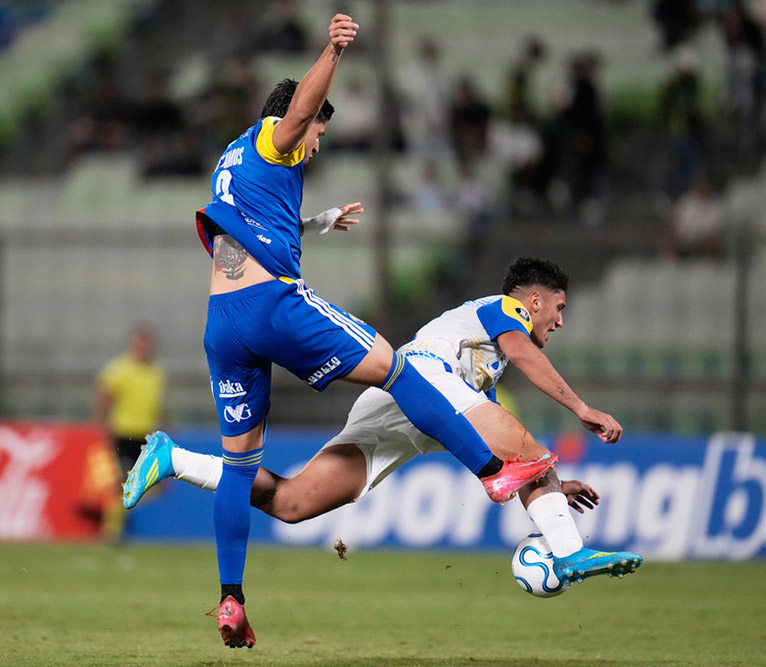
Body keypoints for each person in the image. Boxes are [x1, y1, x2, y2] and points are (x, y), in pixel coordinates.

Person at [160, 16, 580, 649]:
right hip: (273, 305)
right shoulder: (278, 134)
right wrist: (332, 52)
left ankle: (231, 597)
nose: (316, 146)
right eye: (319, 135)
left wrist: (318, 221)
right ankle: (493, 471)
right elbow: (299, 113)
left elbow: (249, 228)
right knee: (399, 369)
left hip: (223, 323)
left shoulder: (233, 159)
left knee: (241, 468)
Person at [125, 256, 639, 645]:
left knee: (292, 503)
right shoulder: (505, 311)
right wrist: (580, 408)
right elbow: (521, 355)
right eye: (559, 308)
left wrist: (550, 487)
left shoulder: (482, 363)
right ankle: (568, 551)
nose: (560, 321)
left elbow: (494, 446)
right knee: (531, 453)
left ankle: (174, 459)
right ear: (535, 300)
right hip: (421, 380)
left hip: (399, 402)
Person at [94, 324, 166, 477]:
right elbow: (104, 396)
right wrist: (104, 424)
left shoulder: (156, 372)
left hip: (147, 434)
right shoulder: (119, 368)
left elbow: (154, 404)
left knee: (147, 480)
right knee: (124, 478)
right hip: (123, 433)